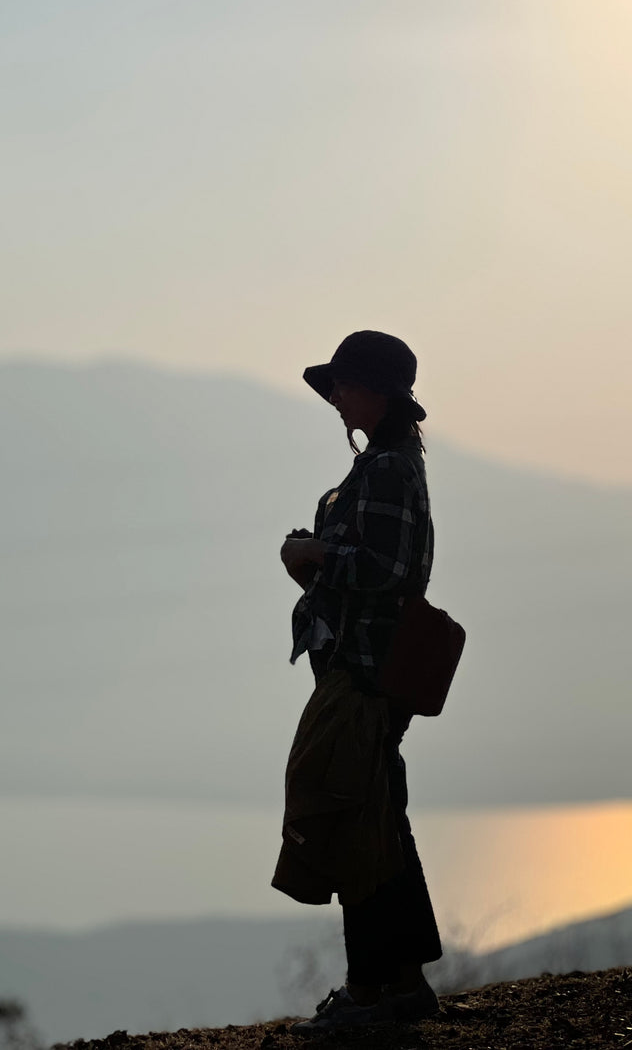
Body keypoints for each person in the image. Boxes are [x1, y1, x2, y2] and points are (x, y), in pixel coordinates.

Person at [274, 330, 444, 1033]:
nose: (335, 397)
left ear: (373, 392)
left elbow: (385, 573)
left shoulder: (382, 471)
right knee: (377, 823)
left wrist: (310, 556)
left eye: (343, 385)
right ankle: (397, 985)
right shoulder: (389, 464)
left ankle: (371, 992)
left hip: (363, 675)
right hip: (368, 674)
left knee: (352, 826)